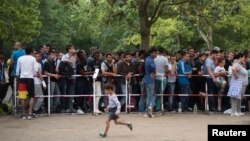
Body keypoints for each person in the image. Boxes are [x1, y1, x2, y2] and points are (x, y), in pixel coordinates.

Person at [16, 47, 36, 119]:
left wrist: (18, 77)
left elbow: (17, 71)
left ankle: (23, 114)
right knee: (31, 96)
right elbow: (35, 70)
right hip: (30, 78)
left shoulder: (20, 58)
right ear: (31, 52)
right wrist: (33, 74)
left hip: (22, 78)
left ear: (25, 52)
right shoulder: (33, 59)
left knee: (22, 97)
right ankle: (30, 113)